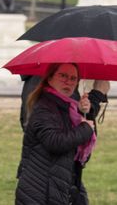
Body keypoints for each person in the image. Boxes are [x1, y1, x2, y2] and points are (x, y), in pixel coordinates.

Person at [16, 63, 98, 204]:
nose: (68, 81)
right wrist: (85, 128)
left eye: (73, 78)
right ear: (49, 78)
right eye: (63, 76)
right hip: (40, 189)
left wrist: (84, 112)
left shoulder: (67, 106)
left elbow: (74, 136)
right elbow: (55, 142)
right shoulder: (43, 107)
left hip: (60, 182)